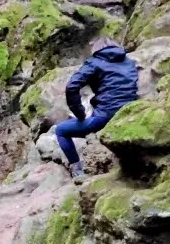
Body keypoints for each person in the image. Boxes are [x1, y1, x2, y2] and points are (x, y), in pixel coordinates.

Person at [56, 37, 139, 180]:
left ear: (96, 49)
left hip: (106, 116)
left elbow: (72, 86)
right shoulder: (129, 62)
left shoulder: (95, 63)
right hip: (129, 112)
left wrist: (80, 113)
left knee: (61, 130)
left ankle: (78, 172)